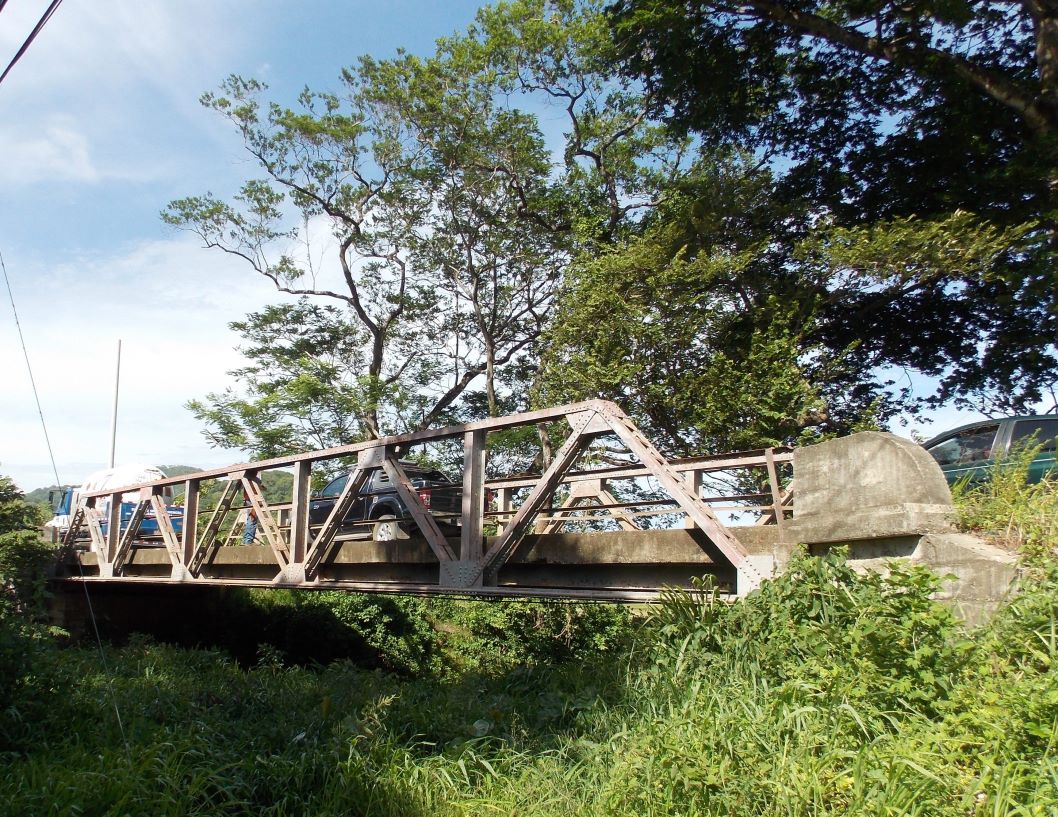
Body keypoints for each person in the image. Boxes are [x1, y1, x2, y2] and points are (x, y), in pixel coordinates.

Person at [242, 476, 261, 544]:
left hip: (249, 500)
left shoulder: (247, 478)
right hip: (252, 500)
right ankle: (248, 540)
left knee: (250, 520)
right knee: (252, 520)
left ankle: (247, 540)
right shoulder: (252, 479)